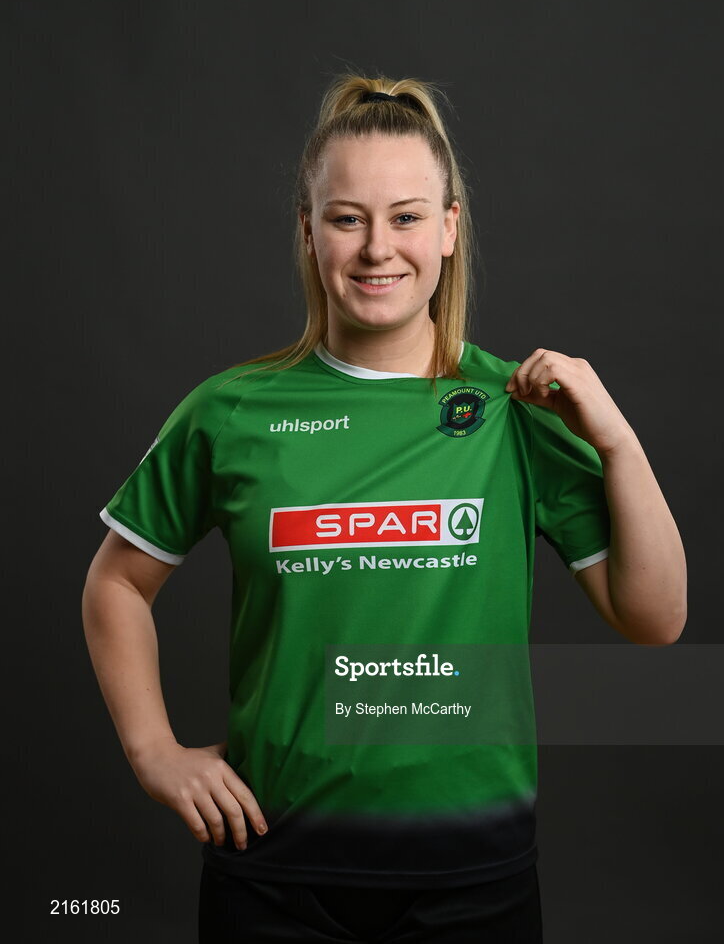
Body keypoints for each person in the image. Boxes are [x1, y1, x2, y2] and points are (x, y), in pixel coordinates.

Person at [82, 72, 687, 943]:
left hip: (470, 873)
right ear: (307, 230)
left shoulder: (517, 406)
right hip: (274, 868)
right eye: (346, 217)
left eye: (405, 216)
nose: (377, 249)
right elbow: (115, 586)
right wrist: (154, 754)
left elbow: (655, 617)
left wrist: (618, 443)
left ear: (447, 230)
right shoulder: (231, 409)